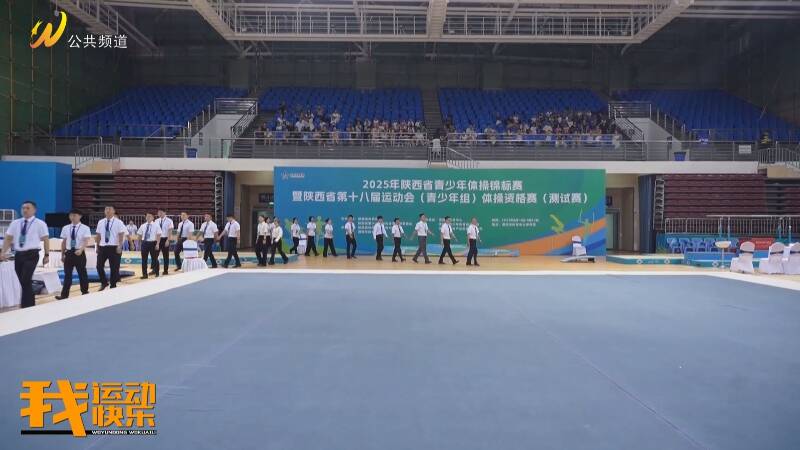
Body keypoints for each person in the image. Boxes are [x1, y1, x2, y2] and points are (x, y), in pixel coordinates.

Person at [0, 201, 50, 308]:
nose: (25, 210)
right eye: (23, 208)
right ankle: (29, 303)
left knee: (25, 279)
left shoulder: (40, 223)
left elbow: (46, 239)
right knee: (22, 281)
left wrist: (47, 255)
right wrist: (3, 252)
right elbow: (8, 238)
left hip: (32, 254)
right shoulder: (15, 223)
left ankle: (27, 305)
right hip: (19, 255)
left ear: (34, 210)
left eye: (28, 208)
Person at [55, 209, 91, 300]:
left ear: (80, 216)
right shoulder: (65, 228)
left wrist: (81, 250)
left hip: (79, 252)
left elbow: (86, 241)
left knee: (82, 273)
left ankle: (85, 292)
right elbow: (64, 242)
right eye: (71, 215)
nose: (72, 217)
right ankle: (64, 295)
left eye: (74, 215)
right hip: (69, 253)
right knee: (67, 274)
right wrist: (62, 254)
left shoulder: (85, 228)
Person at [94, 205, 127, 290]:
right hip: (102, 247)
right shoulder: (101, 222)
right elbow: (98, 235)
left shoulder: (118, 222)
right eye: (106, 209)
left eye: (110, 209)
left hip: (114, 247)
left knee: (114, 268)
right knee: (99, 266)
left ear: (114, 211)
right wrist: (97, 246)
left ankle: (113, 285)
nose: (108, 210)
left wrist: (120, 246)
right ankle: (104, 282)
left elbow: (121, 234)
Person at [137, 213, 162, 279]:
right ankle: (145, 275)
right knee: (144, 259)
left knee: (155, 258)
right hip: (144, 243)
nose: (148, 217)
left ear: (153, 218)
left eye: (149, 216)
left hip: (153, 243)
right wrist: (139, 244)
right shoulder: (143, 225)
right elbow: (139, 234)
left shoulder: (156, 225)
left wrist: (157, 244)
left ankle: (157, 273)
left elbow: (159, 235)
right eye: (147, 216)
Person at [154, 209, 174, 275]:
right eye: (158, 212)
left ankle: (165, 270)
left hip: (165, 239)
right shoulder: (156, 221)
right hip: (158, 239)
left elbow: (170, 231)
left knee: (165, 256)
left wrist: (168, 240)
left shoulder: (169, 221)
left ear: (165, 213)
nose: (159, 214)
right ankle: (155, 270)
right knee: (155, 255)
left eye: (161, 212)